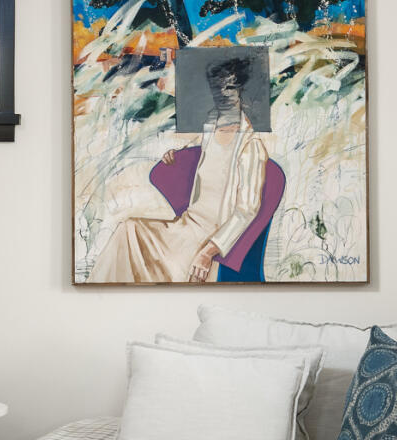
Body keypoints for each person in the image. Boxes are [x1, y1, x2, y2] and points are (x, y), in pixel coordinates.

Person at [90, 56, 285, 283]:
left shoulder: (250, 146)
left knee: (159, 263)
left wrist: (208, 252)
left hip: (211, 238)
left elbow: (247, 211)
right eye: (217, 87)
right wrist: (174, 154)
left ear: (241, 91)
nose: (223, 93)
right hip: (186, 226)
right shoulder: (211, 130)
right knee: (128, 229)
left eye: (230, 87)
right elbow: (200, 153)